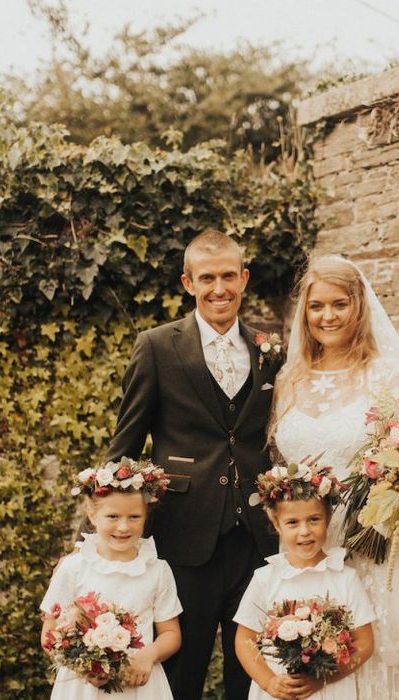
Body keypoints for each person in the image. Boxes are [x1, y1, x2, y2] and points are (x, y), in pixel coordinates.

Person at [271, 255, 399, 699]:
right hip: (311, 539)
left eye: (339, 304)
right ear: (303, 313)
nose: (327, 316)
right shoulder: (289, 377)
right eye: (316, 306)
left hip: (378, 541)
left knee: (385, 650)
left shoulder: (388, 375)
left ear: (359, 306)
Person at [105, 229, 281, 699]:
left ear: (244, 278)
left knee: (253, 672)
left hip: (257, 537)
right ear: (188, 282)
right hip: (185, 537)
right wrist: (107, 533)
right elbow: (125, 445)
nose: (219, 288)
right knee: (182, 673)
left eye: (228, 276)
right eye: (207, 278)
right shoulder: (158, 345)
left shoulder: (271, 349)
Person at [40, 458, 182, 699]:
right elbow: (49, 633)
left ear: (146, 516)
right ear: (92, 515)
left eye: (134, 517)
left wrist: (149, 655)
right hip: (83, 687)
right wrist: (84, 665)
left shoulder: (157, 570)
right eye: (113, 516)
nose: (124, 527)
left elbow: (171, 634)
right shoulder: (74, 567)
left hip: (139, 686)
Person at [234, 460, 375, 700]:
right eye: (292, 523)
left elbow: (365, 643)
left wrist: (326, 678)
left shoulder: (345, 578)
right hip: (280, 688)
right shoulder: (266, 578)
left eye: (314, 520)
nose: (304, 531)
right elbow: (244, 638)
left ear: (328, 520)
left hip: (330, 689)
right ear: (276, 524)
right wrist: (269, 682)